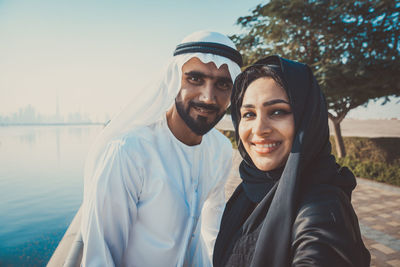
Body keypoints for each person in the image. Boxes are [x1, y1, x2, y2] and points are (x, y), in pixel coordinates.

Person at [80, 30, 242, 266]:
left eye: (223, 84)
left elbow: (212, 219)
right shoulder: (129, 152)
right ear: (173, 80)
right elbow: (101, 256)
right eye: (195, 79)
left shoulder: (221, 149)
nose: (208, 97)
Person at [213, 55, 371, 267]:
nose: (259, 129)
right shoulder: (250, 189)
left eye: (278, 111)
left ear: (308, 119)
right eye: (249, 114)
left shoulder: (322, 209)